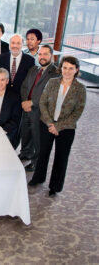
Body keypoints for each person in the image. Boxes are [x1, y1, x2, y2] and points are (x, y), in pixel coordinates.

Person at [28, 56, 86, 196]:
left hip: (66, 128)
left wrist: (58, 126)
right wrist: (49, 123)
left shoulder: (80, 89)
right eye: (65, 68)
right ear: (61, 68)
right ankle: (38, 178)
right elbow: (43, 103)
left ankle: (55, 186)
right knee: (43, 153)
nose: (67, 71)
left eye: (71, 68)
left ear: (76, 70)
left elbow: (77, 113)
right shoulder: (52, 82)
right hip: (47, 124)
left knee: (61, 157)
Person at [19, 45, 59, 172]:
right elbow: (24, 86)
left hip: (41, 112)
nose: (42, 57)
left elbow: (51, 95)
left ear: (51, 56)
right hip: (26, 108)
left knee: (37, 138)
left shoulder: (56, 73)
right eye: (40, 54)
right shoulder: (34, 69)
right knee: (25, 134)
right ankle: (25, 153)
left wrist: (32, 102)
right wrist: (25, 101)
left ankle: (36, 162)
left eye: (45, 54)